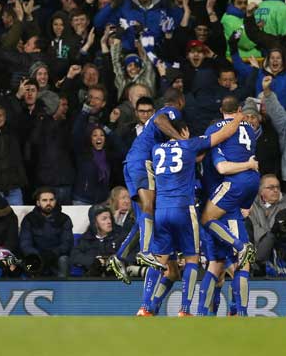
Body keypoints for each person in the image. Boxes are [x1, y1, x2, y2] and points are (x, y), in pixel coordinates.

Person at [143, 113, 246, 317]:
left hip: (161, 210)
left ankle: (145, 307)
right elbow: (223, 133)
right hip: (185, 209)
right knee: (194, 260)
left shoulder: (155, 150)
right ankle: (186, 310)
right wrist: (239, 118)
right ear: (183, 132)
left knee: (159, 260)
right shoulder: (189, 145)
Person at [107, 88, 186, 280]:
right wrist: (181, 140)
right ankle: (146, 251)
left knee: (144, 215)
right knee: (150, 205)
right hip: (143, 163)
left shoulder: (153, 121)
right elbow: (160, 121)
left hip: (132, 163)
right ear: (180, 101)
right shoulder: (170, 111)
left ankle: (119, 257)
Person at [198, 97, 262, 317]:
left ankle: (203, 315)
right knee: (238, 266)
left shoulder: (214, 133)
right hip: (244, 190)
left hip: (224, 192)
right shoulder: (250, 130)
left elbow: (223, 167)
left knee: (216, 263)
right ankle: (239, 313)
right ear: (239, 110)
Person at [19, 187, 74, 278]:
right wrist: (38, 256)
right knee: (28, 261)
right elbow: (25, 243)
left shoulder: (64, 219)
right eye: (44, 200)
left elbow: (67, 243)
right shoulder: (29, 219)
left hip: (56, 257)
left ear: (55, 201)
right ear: (38, 203)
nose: (48, 203)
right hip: (36, 258)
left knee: (64, 260)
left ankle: (63, 289)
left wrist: (53, 254)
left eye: (51, 200)